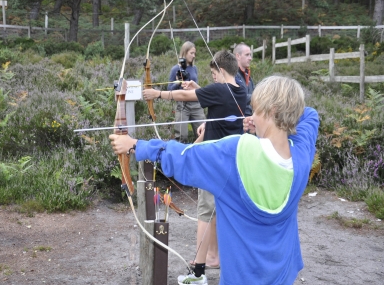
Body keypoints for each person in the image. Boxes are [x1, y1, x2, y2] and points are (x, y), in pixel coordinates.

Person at [110, 75, 319, 285]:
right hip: (283, 274)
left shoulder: (236, 152)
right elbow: (310, 115)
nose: (252, 116)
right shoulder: (302, 153)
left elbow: (185, 156)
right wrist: (273, 125)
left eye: (256, 110)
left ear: (272, 110)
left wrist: (135, 145)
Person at [142, 50, 247, 284]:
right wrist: (206, 124)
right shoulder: (241, 91)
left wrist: (157, 94)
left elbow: (188, 97)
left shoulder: (220, 89)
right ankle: (214, 258)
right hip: (233, 163)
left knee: (205, 214)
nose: (213, 78)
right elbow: (221, 107)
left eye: (213, 74)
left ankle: (198, 273)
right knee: (219, 213)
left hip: (213, 165)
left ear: (221, 71)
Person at [168, 41, 205, 143]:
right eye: (191, 53)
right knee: (181, 136)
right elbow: (169, 89)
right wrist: (178, 82)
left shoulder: (194, 68)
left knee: (203, 133)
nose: (193, 56)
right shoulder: (175, 69)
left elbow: (196, 87)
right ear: (184, 52)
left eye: (194, 53)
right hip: (182, 105)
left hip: (196, 105)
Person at [234, 42, 254, 116]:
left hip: (250, 116)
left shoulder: (247, 74)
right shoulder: (232, 75)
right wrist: (260, 97)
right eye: (247, 55)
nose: (250, 58)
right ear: (238, 56)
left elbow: (254, 92)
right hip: (239, 118)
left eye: (250, 55)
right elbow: (239, 96)